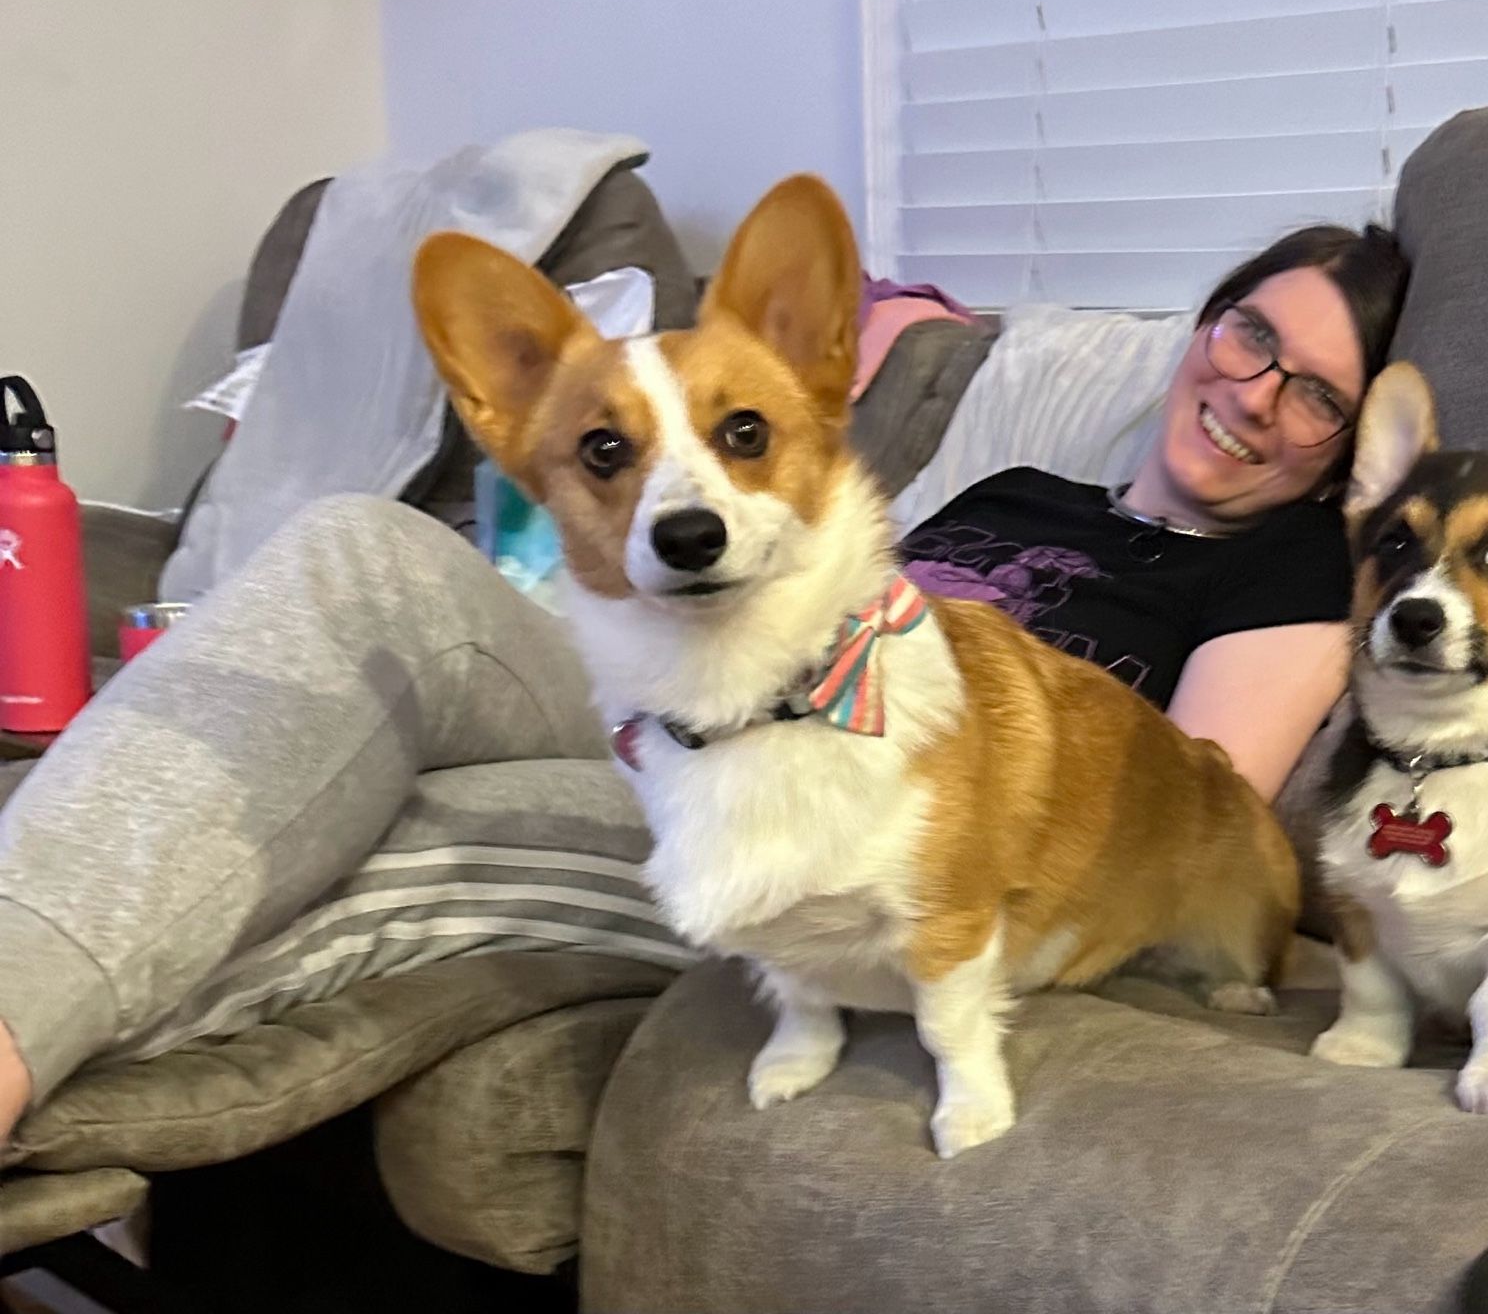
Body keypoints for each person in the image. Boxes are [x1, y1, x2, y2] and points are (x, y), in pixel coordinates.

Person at [0, 221, 1405, 1149]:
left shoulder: (1279, 576)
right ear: (1201, 329)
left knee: (386, 830)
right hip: (656, 704)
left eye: (1318, 397)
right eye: (1248, 337)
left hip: (845, 799)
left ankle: (26, 1046)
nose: (1261, 395)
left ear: (1342, 447)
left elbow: (1182, 814)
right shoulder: (1023, 483)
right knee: (360, 560)